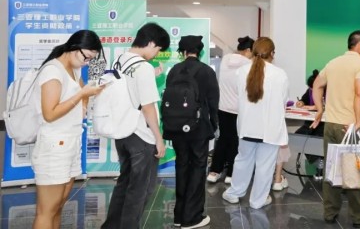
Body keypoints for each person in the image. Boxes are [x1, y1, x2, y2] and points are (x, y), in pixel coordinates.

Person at [31, 30, 106, 229]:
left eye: (91, 59)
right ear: (74, 47)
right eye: (86, 57)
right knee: (47, 211)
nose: (87, 63)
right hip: (53, 146)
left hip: (70, 142)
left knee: (58, 206)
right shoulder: (52, 72)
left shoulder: (74, 70)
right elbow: (50, 114)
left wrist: (86, 98)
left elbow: (80, 95)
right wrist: (82, 94)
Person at [310, 30, 360, 228]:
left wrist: (320, 110)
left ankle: (329, 213)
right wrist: (358, 121)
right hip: (350, 127)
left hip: (331, 125)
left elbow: (317, 85)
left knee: (331, 170)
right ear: (359, 44)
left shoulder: (333, 63)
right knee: (357, 171)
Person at [102, 23, 170, 229]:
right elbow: (147, 107)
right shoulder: (143, 67)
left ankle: (111, 226)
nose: (156, 54)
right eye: (158, 49)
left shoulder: (119, 60)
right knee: (140, 189)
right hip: (141, 135)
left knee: (125, 183)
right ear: (151, 43)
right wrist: (159, 139)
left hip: (123, 132)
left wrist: (152, 75)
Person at [222, 37, 289, 209]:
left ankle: (234, 193)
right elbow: (283, 101)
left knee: (242, 161)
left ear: (253, 52)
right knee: (265, 166)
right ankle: (258, 200)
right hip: (270, 129)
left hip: (247, 126)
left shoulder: (241, 72)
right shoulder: (280, 74)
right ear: (272, 53)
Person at [163, 35, 219, 229]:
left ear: (182, 52)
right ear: (200, 51)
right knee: (197, 167)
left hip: (176, 128)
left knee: (181, 166)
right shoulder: (206, 71)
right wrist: (214, 125)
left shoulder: (174, 71)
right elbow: (213, 102)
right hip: (198, 128)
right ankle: (192, 217)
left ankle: (179, 215)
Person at [207, 36, 254, 184]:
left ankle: (215, 171)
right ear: (248, 50)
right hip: (239, 110)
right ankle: (231, 174)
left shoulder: (226, 59)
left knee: (223, 139)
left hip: (222, 107)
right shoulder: (249, 65)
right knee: (235, 141)